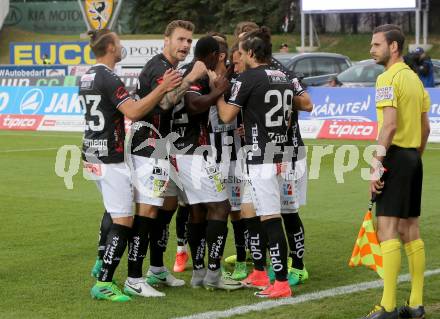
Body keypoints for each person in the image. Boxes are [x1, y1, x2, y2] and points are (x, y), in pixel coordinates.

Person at [81, 28, 181, 302]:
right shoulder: (108, 77)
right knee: (124, 220)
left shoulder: (88, 75)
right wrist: (163, 87)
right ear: (111, 47)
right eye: (119, 42)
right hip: (109, 157)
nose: (121, 45)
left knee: (116, 214)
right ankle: (104, 282)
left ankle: (103, 264)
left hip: (92, 152)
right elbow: (134, 112)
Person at [126, 20, 207, 297]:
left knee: (163, 209)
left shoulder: (168, 67)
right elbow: (164, 102)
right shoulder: (159, 67)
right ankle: (134, 277)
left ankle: (157, 268)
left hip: (162, 146)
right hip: (148, 145)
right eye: (181, 39)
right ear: (166, 40)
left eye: (189, 40)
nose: (185, 45)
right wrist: (192, 78)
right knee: (147, 210)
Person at [217, 26, 295, 299]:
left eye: (241, 52)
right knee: (253, 210)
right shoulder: (283, 77)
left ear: (251, 53)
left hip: (261, 157)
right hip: (278, 151)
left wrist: (217, 93)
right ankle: (262, 272)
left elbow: (226, 115)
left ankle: (281, 282)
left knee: (271, 218)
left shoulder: (248, 77)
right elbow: (286, 119)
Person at [363, 24, 430, 319]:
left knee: (387, 230)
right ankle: (415, 303)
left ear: (393, 47)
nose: (371, 50)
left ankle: (387, 306)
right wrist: (412, 158)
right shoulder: (415, 80)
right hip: (414, 158)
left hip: (396, 156)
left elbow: (388, 125)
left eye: (376, 45)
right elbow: (426, 128)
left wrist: (377, 165)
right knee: (410, 230)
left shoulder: (386, 78)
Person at [171, 35, 243, 291]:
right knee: (221, 207)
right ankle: (214, 273)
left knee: (198, 210)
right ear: (213, 55)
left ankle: (199, 272)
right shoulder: (198, 73)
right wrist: (219, 91)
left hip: (179, 150)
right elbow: (193, 105)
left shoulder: (184, 71)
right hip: (193, 152)